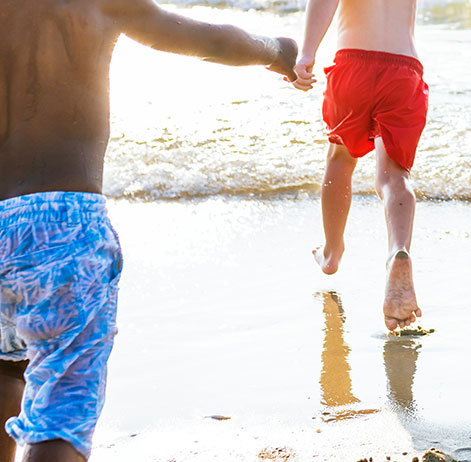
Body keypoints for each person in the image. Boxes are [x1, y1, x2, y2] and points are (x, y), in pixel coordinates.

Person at [0, 1, 297, 461]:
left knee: (7, 370)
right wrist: (276, 50)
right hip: (63, 228)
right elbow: (211, 41)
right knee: (60, 415)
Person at [291, 0, 428, 331]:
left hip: (354, 63)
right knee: (395, 176)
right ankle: (397, 251)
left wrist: (307, 53)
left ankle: (331, 252)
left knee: (340, 158)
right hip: (403, 69)